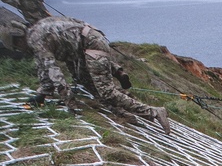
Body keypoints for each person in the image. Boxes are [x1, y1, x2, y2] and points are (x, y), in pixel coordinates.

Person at [24, 16, 170, 133]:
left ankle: (154, 112)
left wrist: (71, 105)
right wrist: (43, 93)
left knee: (106, 91)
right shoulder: (36, 29)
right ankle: (121, 110)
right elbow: (44, 67)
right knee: (86, 81)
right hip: (81, 45)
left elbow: (55, 74)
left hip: (90, 45)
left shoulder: (35, 40)